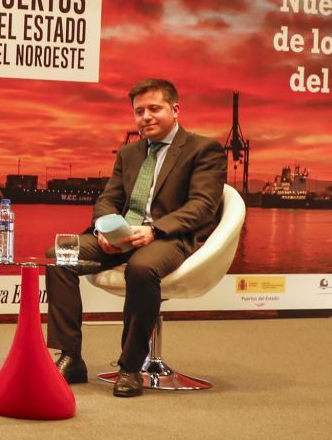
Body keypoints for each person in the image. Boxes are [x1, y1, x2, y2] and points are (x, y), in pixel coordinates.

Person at [46, 78, 227, 398]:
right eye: (139, 111)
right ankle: (71, 356)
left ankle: (130, 367)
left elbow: (203, 206)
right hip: (121, 234)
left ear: (175, 109)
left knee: (141, 270)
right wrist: (104, 228)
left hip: (169, 237)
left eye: (154, 109)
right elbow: (107, 199)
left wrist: (154, 230)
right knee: (60, 254)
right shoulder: (129, 153)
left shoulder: (203, 149)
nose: (146, 117)